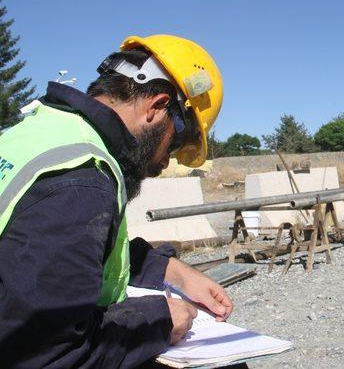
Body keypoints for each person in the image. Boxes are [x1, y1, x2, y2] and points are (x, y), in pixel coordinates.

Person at [0, 35, 231, 367]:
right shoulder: (82, 180)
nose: (166, 162)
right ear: (157, 107)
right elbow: (48, 353)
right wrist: (158, 321)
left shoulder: (37, 134)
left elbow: (56, 255)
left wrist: (167, 269)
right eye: (176, 144)